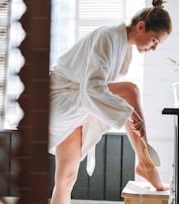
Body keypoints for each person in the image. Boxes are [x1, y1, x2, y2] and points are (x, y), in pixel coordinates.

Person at [49, 0, 172, 203]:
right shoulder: (109, 36)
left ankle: (146, 164)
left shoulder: (123, 47)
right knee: (130, 91)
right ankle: (146, 164)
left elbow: (99, 91)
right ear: (141, 27)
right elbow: (93, 88)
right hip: (60, 99)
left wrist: (126, 111)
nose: (154, 48)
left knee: (66, 178)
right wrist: (129, 112)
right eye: (154, 41)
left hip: (74, 105)